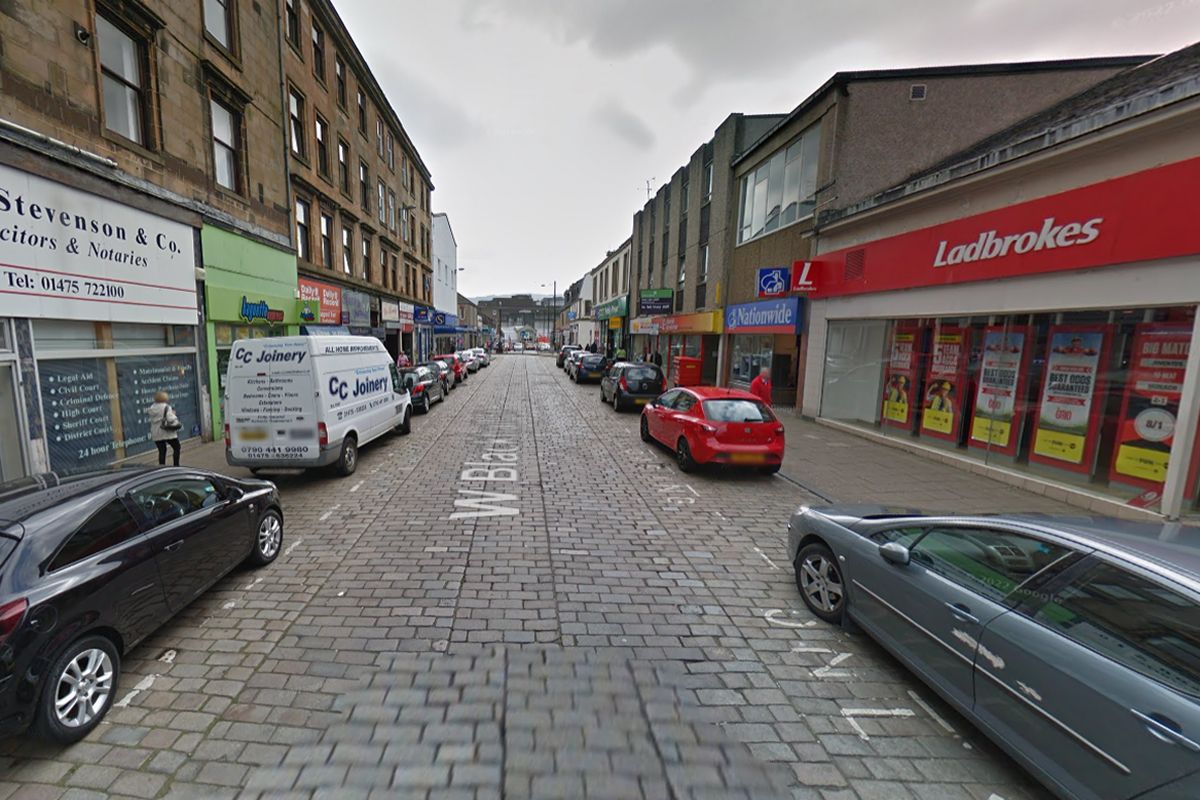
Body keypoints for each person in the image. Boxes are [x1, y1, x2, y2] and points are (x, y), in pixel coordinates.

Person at [148, 390, 181, 466]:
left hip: (156, 433)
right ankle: (176, 465)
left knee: (162, 451)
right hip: (167, 432)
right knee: (177, 447)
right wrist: (173, 414)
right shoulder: (166, 407)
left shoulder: (152, 408)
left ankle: (162, 467)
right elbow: (170, 419)